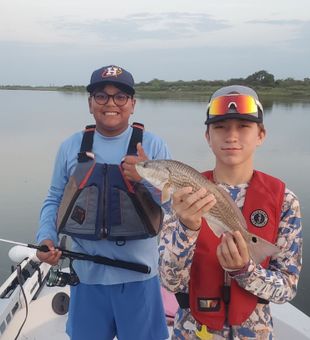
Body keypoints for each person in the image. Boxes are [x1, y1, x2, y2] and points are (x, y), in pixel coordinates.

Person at [36, 65, 170, 340]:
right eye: (101, 96)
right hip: (87, 280)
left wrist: (144, 177)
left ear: (132, 104)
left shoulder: (153, 146)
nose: (111, 103)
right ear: (90, 103)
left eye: (120, 97)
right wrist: (46, 237)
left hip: (140, 280)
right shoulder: (70, 147)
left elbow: (171, 206)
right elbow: (54, 199)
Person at [159, 85, 303, 339]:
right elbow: (170, 282)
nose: (231, 136)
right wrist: (186, 228)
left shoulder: (284, 201)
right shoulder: (184, 194)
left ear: (261, 135)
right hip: (193, 331)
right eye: (220, 127)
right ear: (208, 136)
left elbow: (287, 289)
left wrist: (244, 270)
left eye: (243, 127)